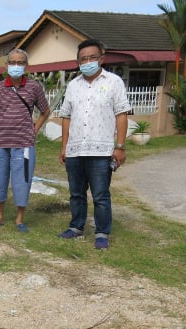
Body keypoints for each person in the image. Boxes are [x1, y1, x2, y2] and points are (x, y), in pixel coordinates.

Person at [58, 39, 131, 250]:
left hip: (101, 150)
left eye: (91, 57)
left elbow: (121, 115)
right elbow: (66, 117)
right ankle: (76, 227)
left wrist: (120, 146)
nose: (87, 61)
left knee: (100, 195)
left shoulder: (114, 82)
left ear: (101, 58)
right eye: (83, 59)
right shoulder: (73, 85)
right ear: (78, 61)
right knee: (76, 193)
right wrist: (64, 147)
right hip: (75, 149)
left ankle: (101, 232)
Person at [0, 49, 50, 233]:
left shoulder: (34, 87)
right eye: (12, 62)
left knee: (23, 179)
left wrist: (34, 130)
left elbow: (45, 111)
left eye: (20, 62)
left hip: (25, 143)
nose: (16, 66)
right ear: (6, 65)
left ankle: (20, 220)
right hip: (1, 144)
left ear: (26, 67)